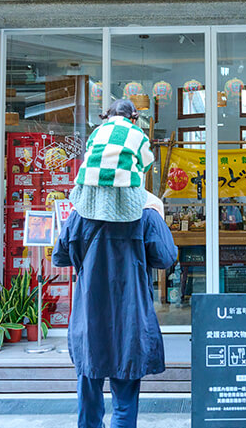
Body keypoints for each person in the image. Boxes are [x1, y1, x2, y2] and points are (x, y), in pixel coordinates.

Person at [53, 198, 177, 428]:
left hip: (89, 316)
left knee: (89, 389)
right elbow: (166, 257)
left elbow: (60, 257)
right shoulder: (145, 215)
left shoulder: (80, 215)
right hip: (130, 318)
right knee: (125, 400)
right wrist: (158, 216)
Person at [69, 99, 155, 223]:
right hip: (125, 191)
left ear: (108, 117)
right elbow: (147, 163)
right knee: (156, 204)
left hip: (88, 191)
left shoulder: (97, 132)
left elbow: (89, 153)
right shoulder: (138, 134)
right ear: (133, 119)